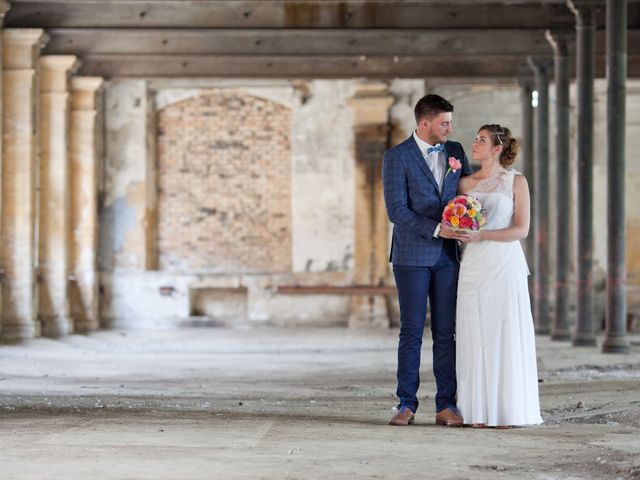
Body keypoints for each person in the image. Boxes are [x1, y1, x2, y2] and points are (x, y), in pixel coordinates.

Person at [382, 94, 472, 427]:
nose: (450, 128)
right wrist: (438, 229)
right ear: (425, 123)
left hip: (449, 257)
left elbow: (465, 197)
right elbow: (397, 211)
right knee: (411, 332)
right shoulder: (397, 157)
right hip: (411, 256)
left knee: (446, 333)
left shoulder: (456, 152)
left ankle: (446, 404)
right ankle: (406, 403)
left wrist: (467, 223)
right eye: (444, 123)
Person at [455, 124, 543, 428]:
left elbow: (522, 229)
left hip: (505, 263)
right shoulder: (464, 183)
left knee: (503, 330)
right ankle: (477, 410)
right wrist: (458, 231)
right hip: (473, 265)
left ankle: (508, 410)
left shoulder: (516, 182)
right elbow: (453, 220)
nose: (475, 143)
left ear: (497, 149)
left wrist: (483, 236)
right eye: (476, 137)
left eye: (482, 140)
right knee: (475, 331)